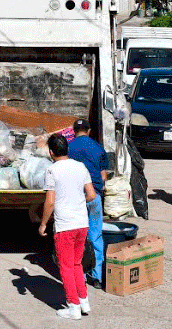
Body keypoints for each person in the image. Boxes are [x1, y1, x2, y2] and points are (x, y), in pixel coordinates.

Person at [39, 134, 97, 320]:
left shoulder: (52, 170)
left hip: (65, 225)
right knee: (77, 264)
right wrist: (78, 202)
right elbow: (91, 195)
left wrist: (42, 224)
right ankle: (83, 301)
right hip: (81, 223)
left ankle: (73, 307)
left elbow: (49, 202)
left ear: (51, 152)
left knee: (65, 267)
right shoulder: (80, 167)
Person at [67, 118, 109, 290]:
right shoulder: (97, 148)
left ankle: (80, 275)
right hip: (94, 197)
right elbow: (104, 176)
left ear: (74, 131)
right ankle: (97, 276)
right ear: (89, 130)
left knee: (78, 237)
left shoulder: (68, 147)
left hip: (75, 199)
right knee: (95, 235)